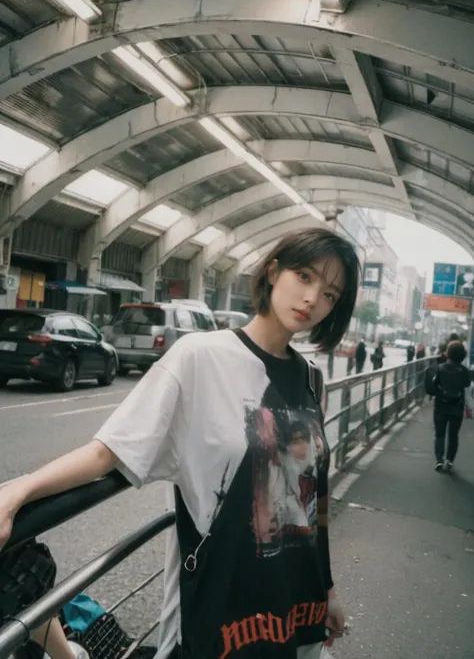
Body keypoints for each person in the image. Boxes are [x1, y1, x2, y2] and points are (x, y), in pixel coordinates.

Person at [0, 227, 360, 659]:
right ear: (273, 271)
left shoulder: (310, 380)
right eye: (304, 276)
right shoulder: (199, 357)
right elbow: (107, 452)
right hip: (223, 612)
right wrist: (20, 490)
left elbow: (308, 506)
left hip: (296, 605)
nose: (312, 299)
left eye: (330, 294)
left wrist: (328, 589)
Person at [427, 341, 471, 473]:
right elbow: (467, 385)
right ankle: (449, 460)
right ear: (463, 355)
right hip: (457, 407)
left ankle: (439, 460)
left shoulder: (439, 368)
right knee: (453, 435)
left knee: (440, 434)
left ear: (448, 353)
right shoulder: (464, 371)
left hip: (441, 406)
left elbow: (433, 387)